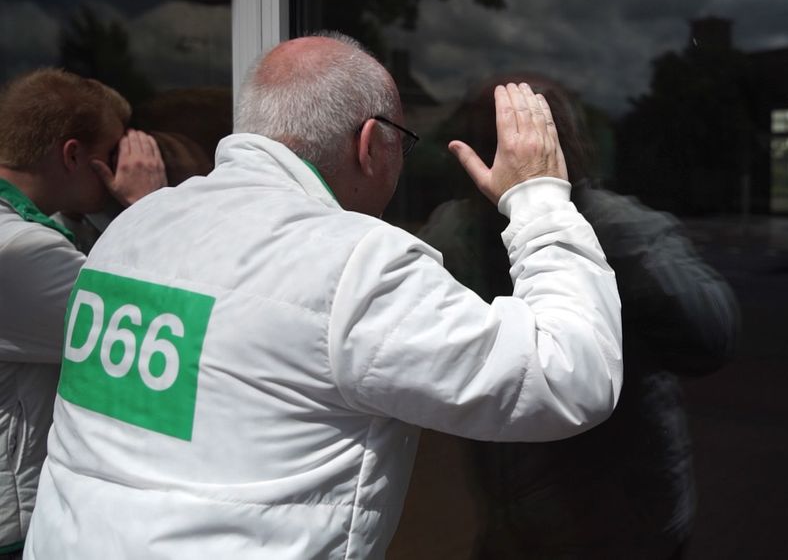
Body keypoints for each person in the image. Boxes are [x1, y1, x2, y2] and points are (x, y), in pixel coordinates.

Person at [24, 33, 622, 559]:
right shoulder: (354, 263)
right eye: (403, 145)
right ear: (371, 143)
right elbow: (568, 377)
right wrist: (539, 201)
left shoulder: (135, 224)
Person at [402, 74, 739, 559]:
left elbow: (714, 336)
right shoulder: (455, 234)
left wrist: (612, 248)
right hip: (512, 525)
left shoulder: (624, 229)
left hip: (622, 530)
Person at [0, 68, 166, 558]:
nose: (123, 170)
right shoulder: (21, 254)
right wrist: (151, 207)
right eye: (113, 156)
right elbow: (155, 325)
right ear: (73, 155)